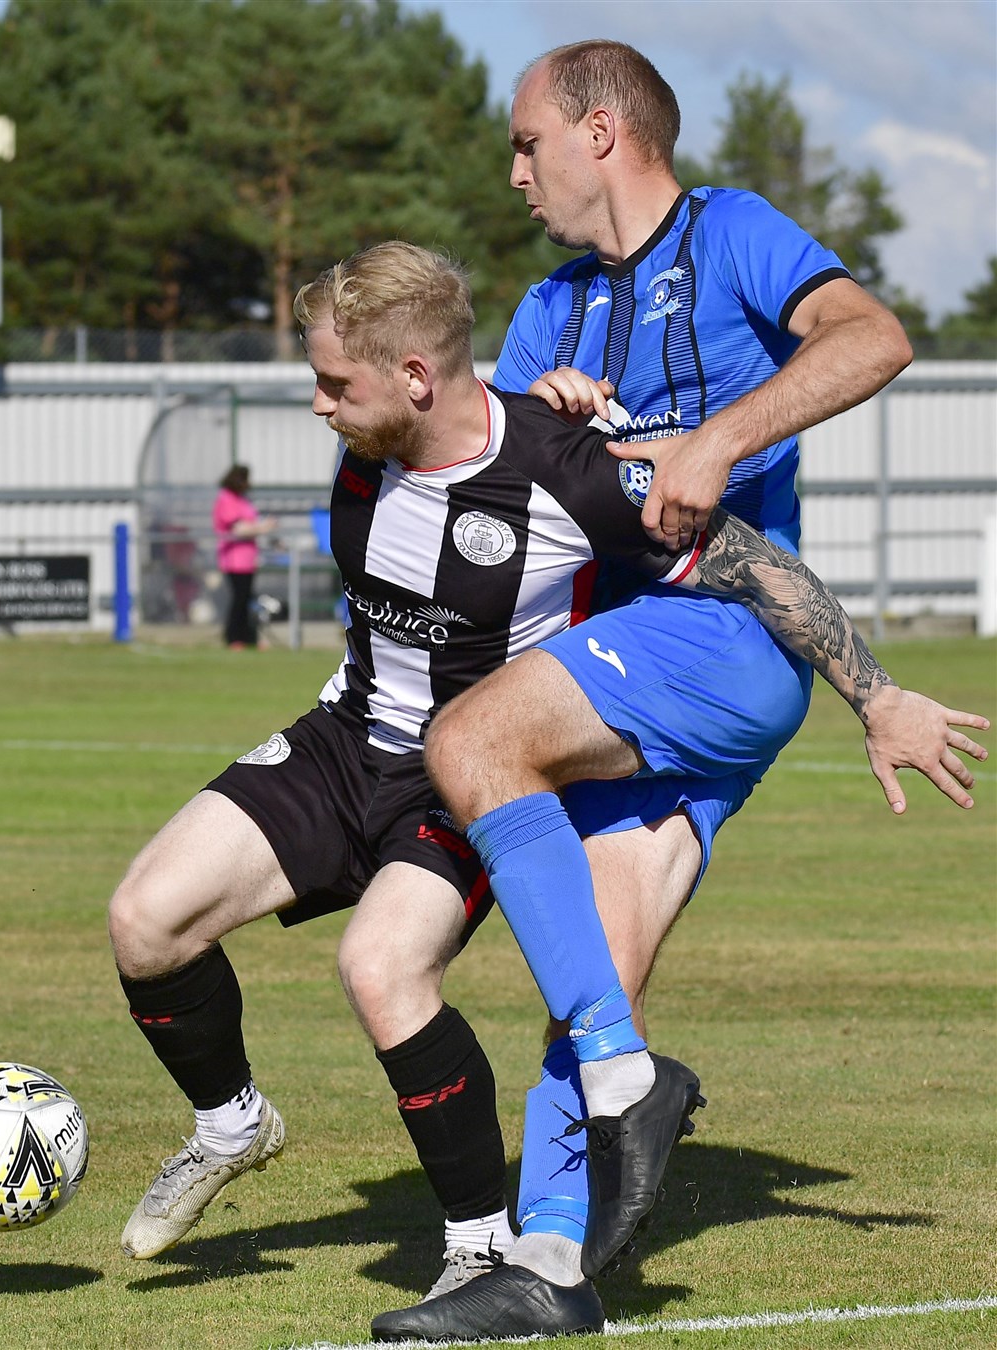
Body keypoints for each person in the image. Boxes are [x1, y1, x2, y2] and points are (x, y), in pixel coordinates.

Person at [106, 246, 986, 1342]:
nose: (318, 402)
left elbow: (752, 566)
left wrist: (876, 693)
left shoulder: (567, 467)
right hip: (345, 739)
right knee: (145, 922)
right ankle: (231, 1125)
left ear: (418, 374)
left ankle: (479, 1243)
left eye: (337, 382)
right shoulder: (373, 445)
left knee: (380, 970)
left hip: (461, 780)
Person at [367, 38, 970, 1342]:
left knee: (474, 740)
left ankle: (629, 1083)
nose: (512, 168)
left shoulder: (735, 236)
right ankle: (550, 1266)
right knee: (596, 960)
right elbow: (485, 489)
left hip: (719, 637)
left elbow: (874, 337)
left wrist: (719, 434)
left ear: (600, 134)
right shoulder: (548, 313)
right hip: (642, 673)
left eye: (527, 140)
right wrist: (528, 421)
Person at [212, 464, 277, 649]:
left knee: (247, 599)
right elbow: (238, 529)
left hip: (248, 559)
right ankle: (234, 637)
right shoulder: (226, 499)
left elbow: (250, 524)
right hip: (234, 560)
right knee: (239, 599)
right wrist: (264, 527)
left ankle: (249, 637)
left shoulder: (242, 500)